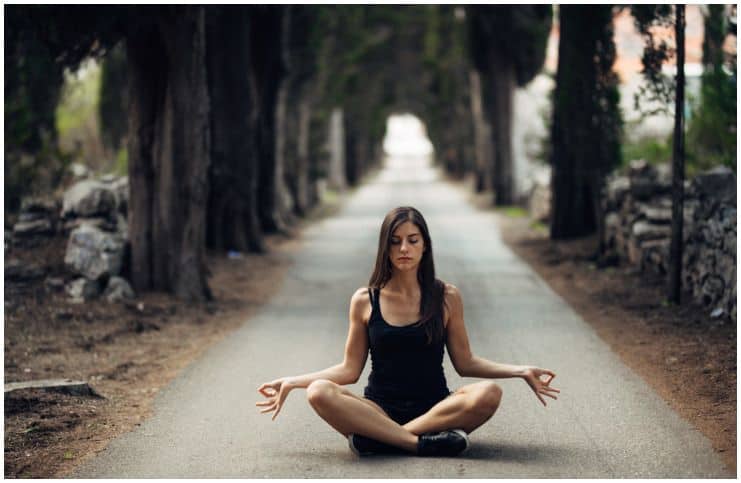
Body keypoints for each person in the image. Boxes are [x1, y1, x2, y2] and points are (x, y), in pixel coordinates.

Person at [256, 206, 560, 457]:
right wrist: (293, 382)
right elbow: (349, 370)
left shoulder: (447, 297)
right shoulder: (365, 300)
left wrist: (520, 370)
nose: (404, 248)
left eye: (413, 240)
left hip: (437, 409)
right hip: (377, 410)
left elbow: (466, 363)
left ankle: (383, 440)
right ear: (384, 248)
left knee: (490, 393)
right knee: (319, 391)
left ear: (425, 245)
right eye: (395, 241)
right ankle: (419, 443)